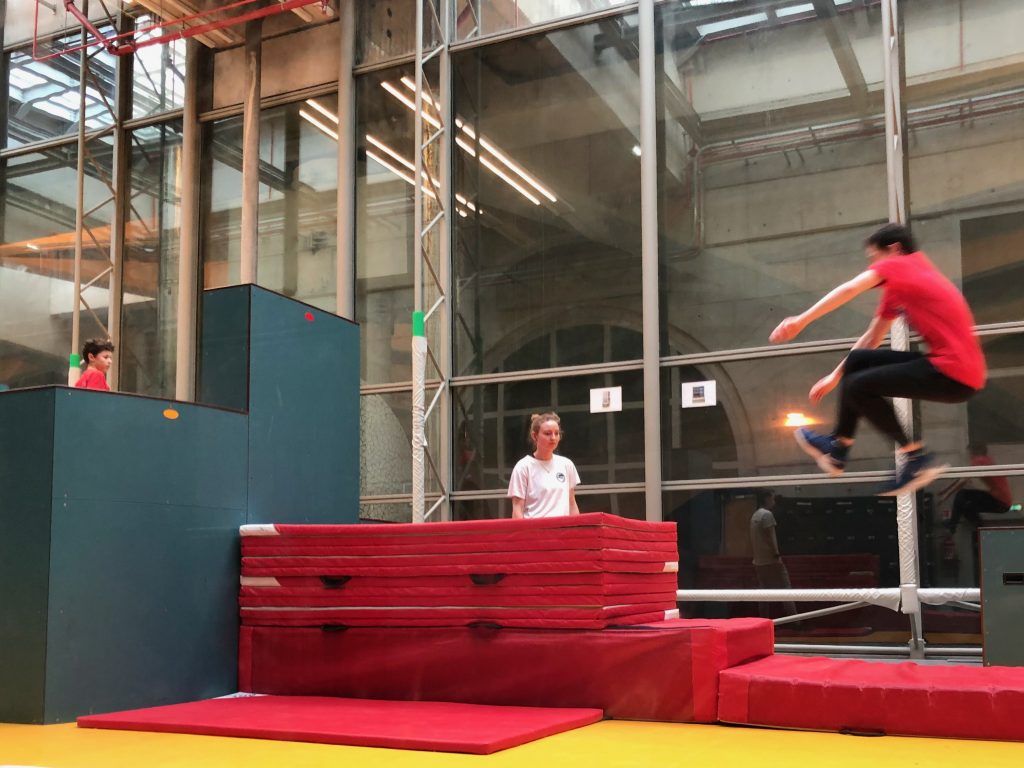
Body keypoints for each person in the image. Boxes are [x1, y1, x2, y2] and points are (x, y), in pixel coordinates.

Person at [769, 223, 986, 496]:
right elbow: (872, 338)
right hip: (952, 368)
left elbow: (850, 289)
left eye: (874, 259)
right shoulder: (902, 284)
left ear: (894, 249)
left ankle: (915, 458)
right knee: (858, 361)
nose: (872, 267)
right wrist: (835, 377)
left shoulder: (904, 264)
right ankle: (838, 450)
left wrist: (801, 321)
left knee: (860, 385)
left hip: (954, 373)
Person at [939, 443, 1012, 584]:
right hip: (1001, 501)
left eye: (970, 453)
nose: (969, 456)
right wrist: (945, 490)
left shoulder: (980, 461)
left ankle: (956, 526)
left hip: (1000, 502)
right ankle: (979, 529)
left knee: (963, 496)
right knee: (966, 504)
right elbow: (961, 477)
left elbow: (963, 481)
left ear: (975, 452)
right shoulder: (986, 461)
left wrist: (946, 495)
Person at [507, 412, 581, 519]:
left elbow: (572, 503)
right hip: (535, 531)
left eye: (556, 433)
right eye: (547, 433)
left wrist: (577, 531)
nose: (553, 438)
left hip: (563, 531)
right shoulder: (523, 467)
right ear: (535, 436)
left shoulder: (567, 464)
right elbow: (517, 508)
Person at [750, 489, 797, 618]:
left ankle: (763, 620)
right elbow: (771, 537)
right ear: (766, 499)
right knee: (785, 589)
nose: (774, 501)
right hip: (771, 560)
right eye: (772, 498)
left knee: (763, 592)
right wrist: (777, 555)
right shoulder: (767, 515)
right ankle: (795, 621)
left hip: (759, 561)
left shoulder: (755, 515)